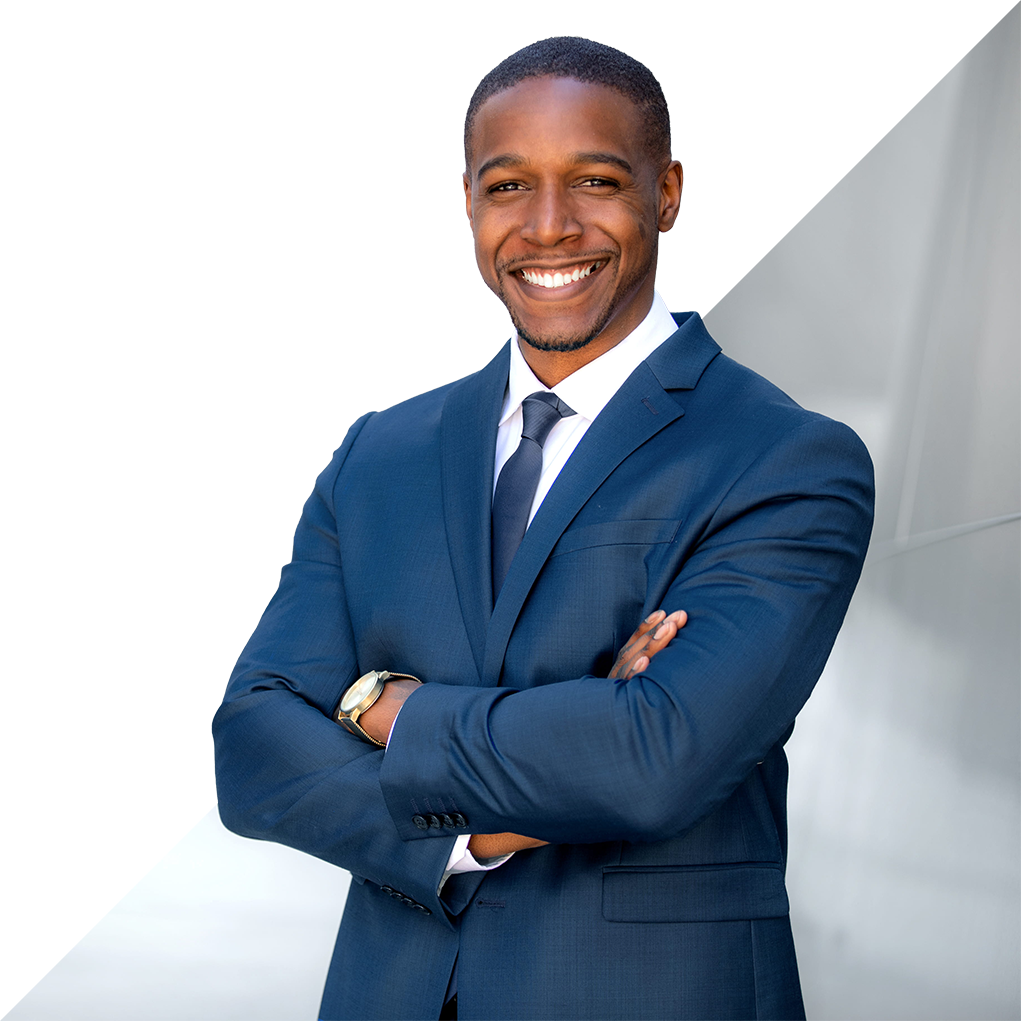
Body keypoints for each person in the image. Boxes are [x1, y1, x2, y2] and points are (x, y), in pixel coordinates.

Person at [212, 37, 874, 1021]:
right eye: (508, 186)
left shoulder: (783, 458)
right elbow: (251, 747)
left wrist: (383, 710)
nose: (549, 225)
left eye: (595, 181)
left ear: (665, 194)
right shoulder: (377, 454)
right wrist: (482, 827)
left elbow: (654, 761)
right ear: (469, 206)